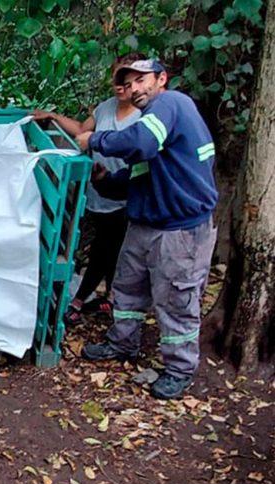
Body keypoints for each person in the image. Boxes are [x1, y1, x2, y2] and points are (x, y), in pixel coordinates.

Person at [75, 59, 218, 400]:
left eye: (142, 80)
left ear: (161, 79)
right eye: (129, 83)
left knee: (176, 300)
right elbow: (139, 175)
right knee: (126, 288)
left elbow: (139, 144)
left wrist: (94, 139)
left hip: (180, 230)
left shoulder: (171, 104)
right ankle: (121, 343)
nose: (135, 88)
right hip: (145, 223)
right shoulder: (156, 121)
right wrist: (105, 181)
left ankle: (179, 370)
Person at [33, 53, 145, 324]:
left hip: (125, 193)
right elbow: (83, 131)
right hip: (98, 190)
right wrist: (53, 116)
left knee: (107, 246)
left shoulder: (145, 114)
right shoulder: (105, 108)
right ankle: (109, 296)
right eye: (117, 78)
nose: (121, 86)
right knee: (109, 245)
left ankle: (81, 298)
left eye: (128, 80)